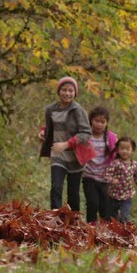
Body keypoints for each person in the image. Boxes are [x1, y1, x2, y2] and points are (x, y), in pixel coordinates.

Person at [39, 76, 92, 211]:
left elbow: (86, 133)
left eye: (70, 91)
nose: (67, 93)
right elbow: (51, 126)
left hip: (75, 156)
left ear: (75, 93)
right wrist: (43, 132)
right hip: (58, 154)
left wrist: (67, 144)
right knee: (56, 187)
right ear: (59, 91)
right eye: (64, 90)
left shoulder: (78, 110)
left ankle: (73, 222)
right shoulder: (51, 109)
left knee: (73, 193)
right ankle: (54, 218)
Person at [82, 106, 118, 223]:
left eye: (103, 122)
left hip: (105, 178)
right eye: (97, 121)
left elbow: (117, 157)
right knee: (92, 204)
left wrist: (116, 175)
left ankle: (106, 234)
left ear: (107, 123)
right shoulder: (85, 136)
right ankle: (90, 230)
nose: (99, 124)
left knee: (105, 208)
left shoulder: (111, 138)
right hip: (89, 177)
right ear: (91, 121)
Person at [103, 136, 137, 223]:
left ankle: (124, 233)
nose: (124, 151)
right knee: (110, 218)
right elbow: (106, 174)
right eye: (122, 148)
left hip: (127, 196)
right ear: (118, 150)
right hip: (114, 195)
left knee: (125, 217)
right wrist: (112, 180)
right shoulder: (115, 163)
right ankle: (110, 233)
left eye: (127, 149)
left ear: (132, 151)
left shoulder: (134, 165)